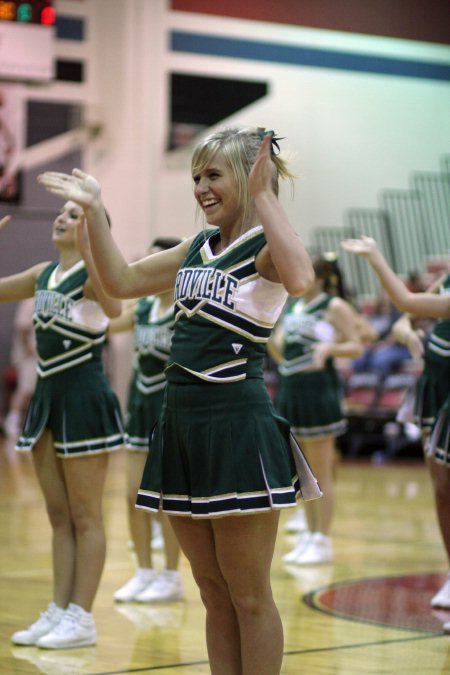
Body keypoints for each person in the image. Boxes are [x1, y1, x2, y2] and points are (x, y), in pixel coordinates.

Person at [38, 126, 322, 675]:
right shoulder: (193, 249)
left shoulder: (266, 247)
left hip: (237, 430)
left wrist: (265, 196)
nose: (201, 188)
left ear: (246, 176)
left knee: (249, 596)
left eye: (213, 175)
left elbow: (303, 278)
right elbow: (119, 282)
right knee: (212, 592)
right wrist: (95, 210)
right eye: (196, 177)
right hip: (180, 428)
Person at [0, 205, 125, 650]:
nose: (61, 218)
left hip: (85, 398)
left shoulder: (93, 276)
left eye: (75, 215)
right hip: (48, 398)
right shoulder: (42, 273)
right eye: (62, 213)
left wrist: (94, 252)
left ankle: (82, 616)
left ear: (92, 230)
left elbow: (114, 306)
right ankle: (59, 608)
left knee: (87, 516)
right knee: (59, 517)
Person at [340, 234, 450, 632]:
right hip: (435, 388)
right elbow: (407, 319)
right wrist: (406, 334)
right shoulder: (448, 278)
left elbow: (407, 302)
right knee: (442, 490)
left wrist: (373, 255)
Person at [269, 256, 363, 565]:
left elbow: (356, 346)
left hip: (319, 392)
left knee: (321, 472)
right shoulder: (294, 306)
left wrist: (329, 349)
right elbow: (280, 346)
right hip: (292, 392)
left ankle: (322, 538)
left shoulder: (333, 306)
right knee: (303, 473)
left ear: (320, 278)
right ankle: (310, 535)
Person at [111, 236, 184, 603]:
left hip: (170, 408)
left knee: (167, 499)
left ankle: (171, 575)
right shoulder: (141, 310)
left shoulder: (185, 309)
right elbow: (106, 322)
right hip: (139, 407)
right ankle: (143, 571)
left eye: (159, 263)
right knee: (131, 495)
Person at [3, 297, 37, 440]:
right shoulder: (30, 302)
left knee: (34, 392)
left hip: (41, 355)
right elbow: (22, 327)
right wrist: (29, 348)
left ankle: (30, 423)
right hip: (30, 356)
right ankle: (12, 420)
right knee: (25, 389)